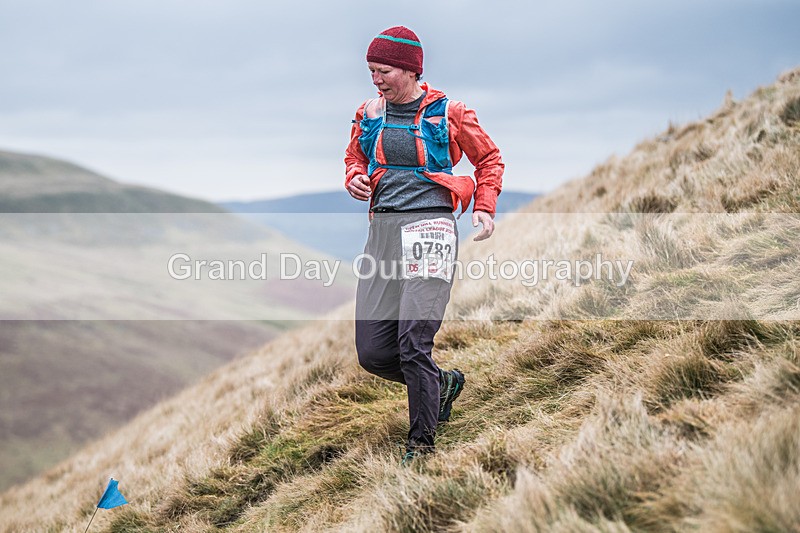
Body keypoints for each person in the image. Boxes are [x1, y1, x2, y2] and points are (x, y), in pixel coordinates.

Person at [344, 25, 504, 465]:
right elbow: (355, 156)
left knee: (414, 342)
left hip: (429, 230)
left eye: (384, 71)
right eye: (372, 71)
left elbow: (488, 158)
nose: (376, 79)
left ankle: (421, 445)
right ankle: (443, 383)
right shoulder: (368, 112)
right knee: (374, 353)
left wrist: (484, 206)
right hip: (382, 236)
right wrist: (354, 177)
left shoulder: (450, 111)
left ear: (411, 70)